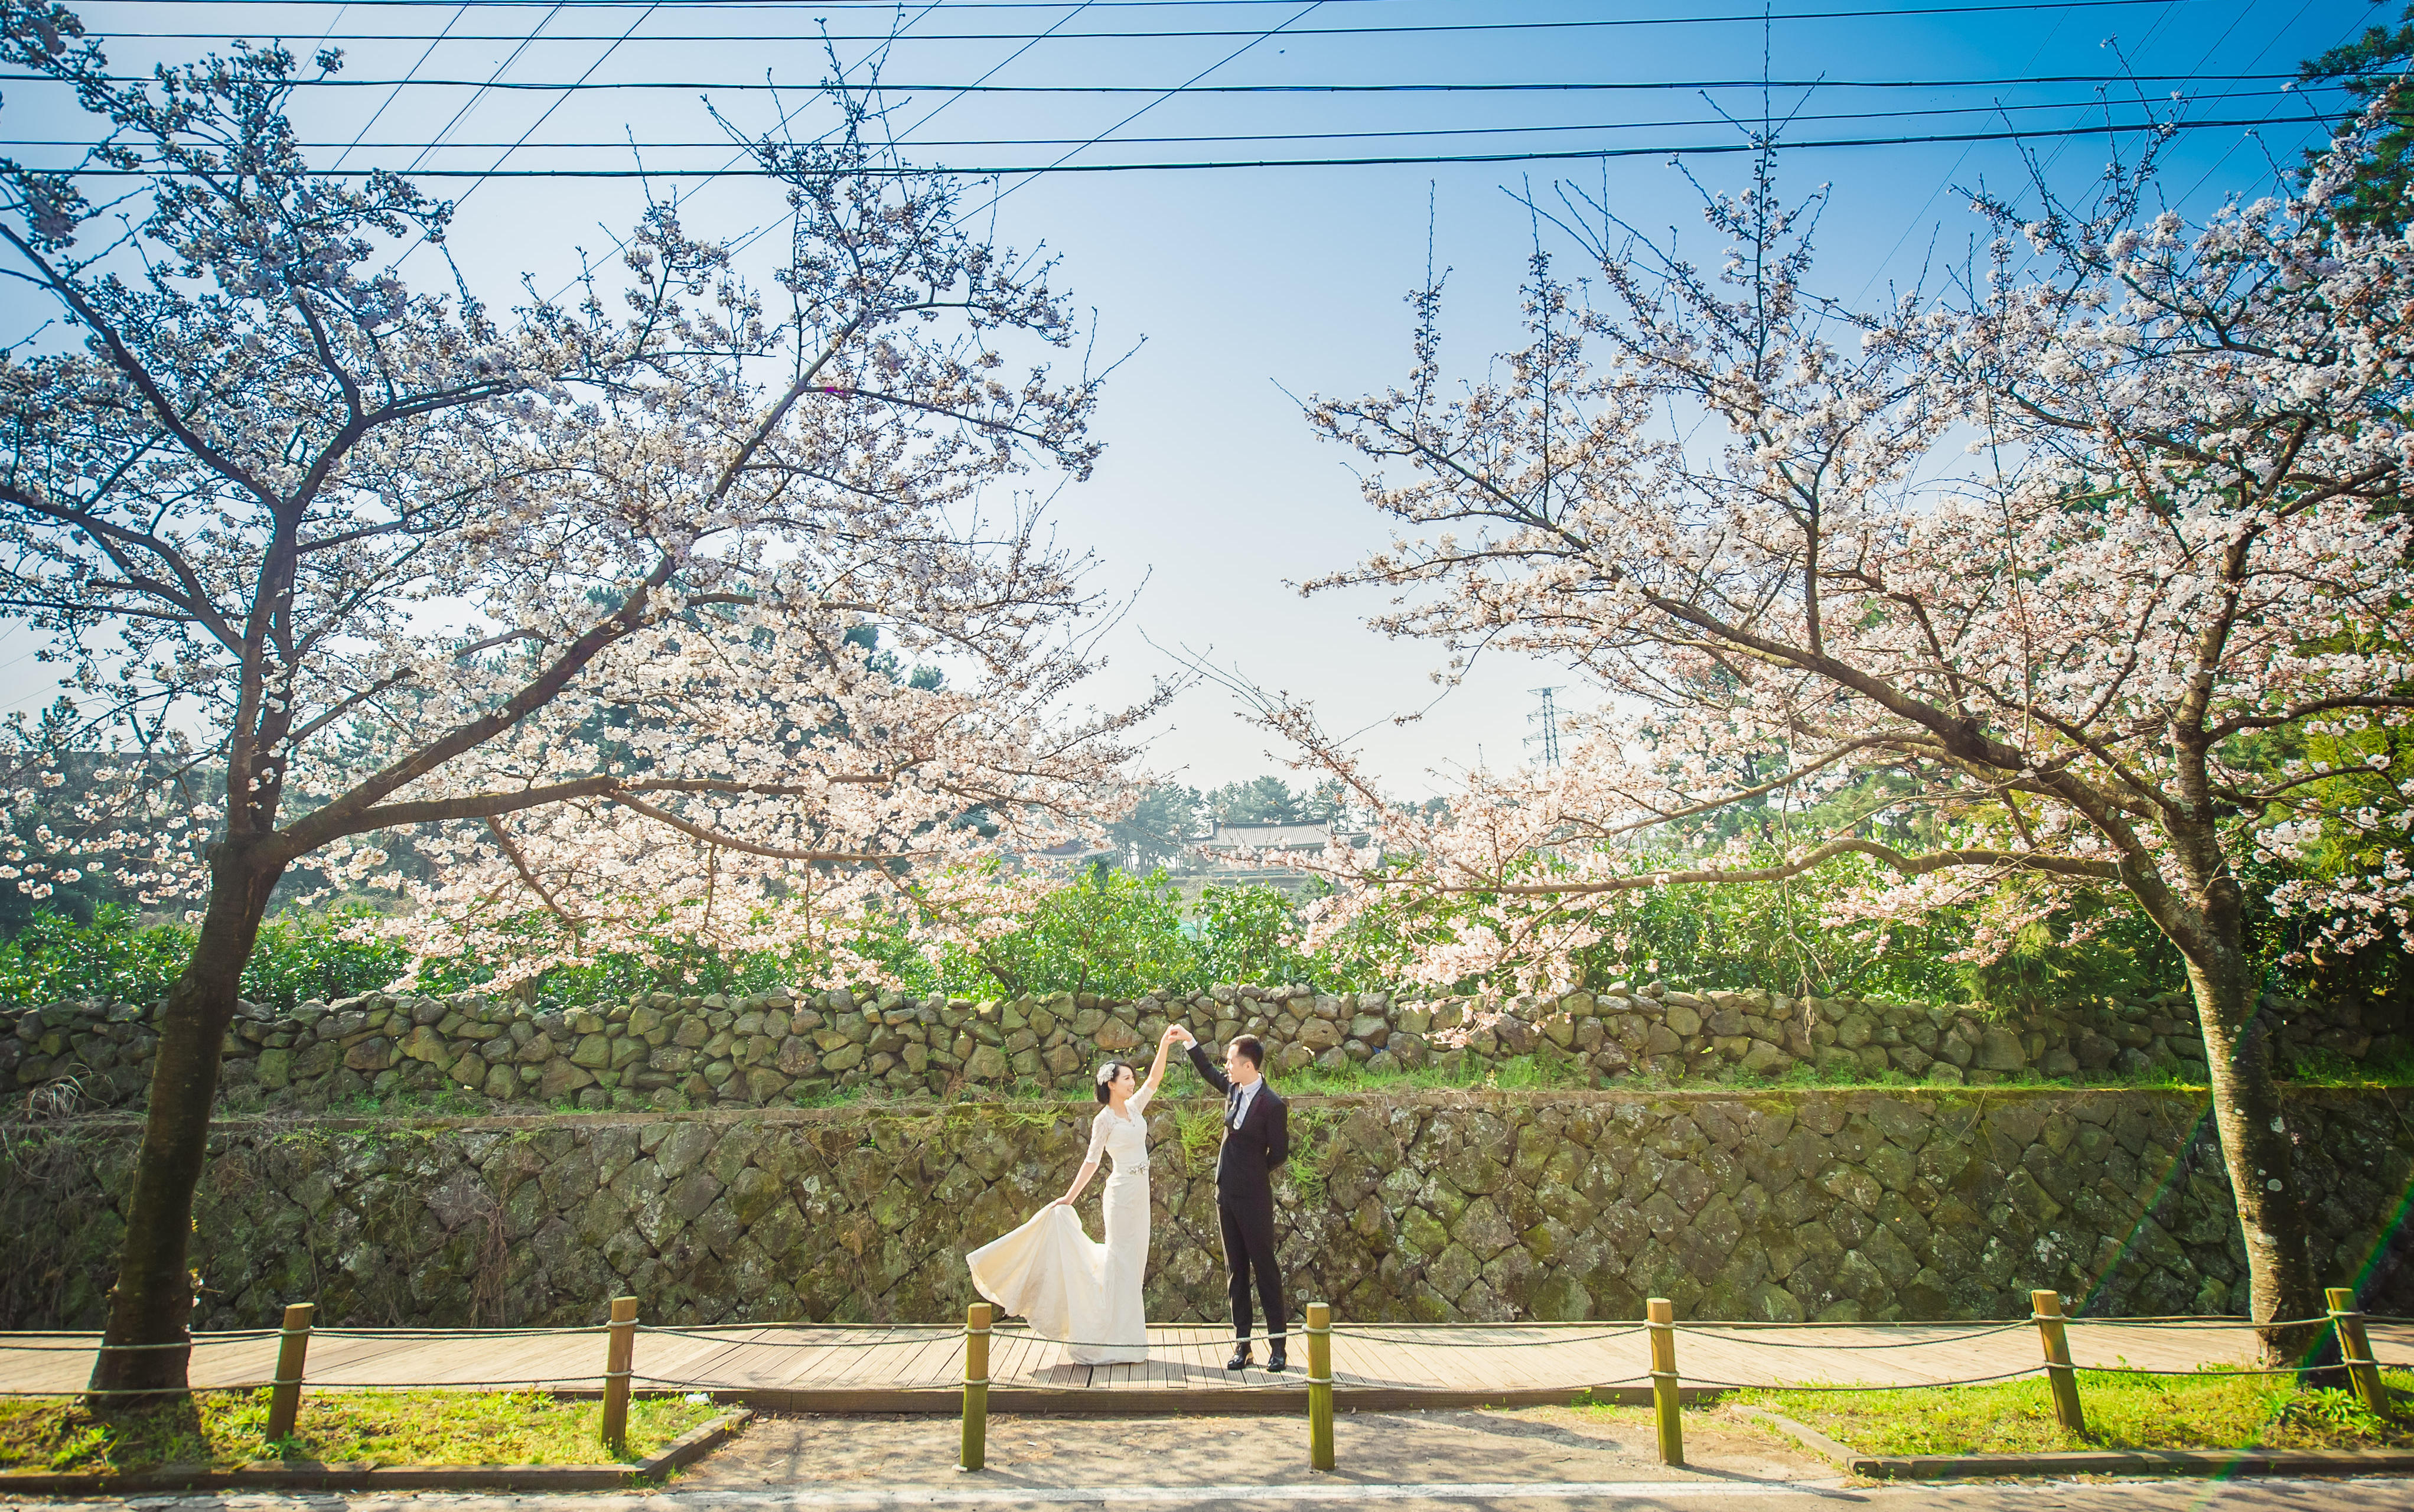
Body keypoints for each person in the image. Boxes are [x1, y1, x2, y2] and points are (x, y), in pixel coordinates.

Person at [964, 1024, 1185, 1364]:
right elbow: (1091, 1163)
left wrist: (1164, 1045)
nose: (1132, 1082)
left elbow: (1155, 1079)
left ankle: (1127, 1339)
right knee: (1120, 1262)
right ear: (1111, 1084)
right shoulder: (1104, 1121)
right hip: (1122, 1194)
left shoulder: (1136, 1108)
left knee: (1134, 1263)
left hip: (1141, 1196)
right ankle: (1107, 1339)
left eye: (1131, 1078)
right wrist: (1067, 1199)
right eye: (1126, 1078)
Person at [1172, 1025, 1290, 1372]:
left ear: (1249, 1066)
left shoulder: (1273, 1105)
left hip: (1254, 1196)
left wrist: (1253, 1174)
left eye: (1232, 1062)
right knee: (1235, 1270)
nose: (1227, 1067)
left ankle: (1278, 1347)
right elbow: (1208, 1072)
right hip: (1226, 1193)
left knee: (1265, 1269)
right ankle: (1243, 1346)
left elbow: (1280, 1153)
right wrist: (1190, 1041)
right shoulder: (1234, 1089)